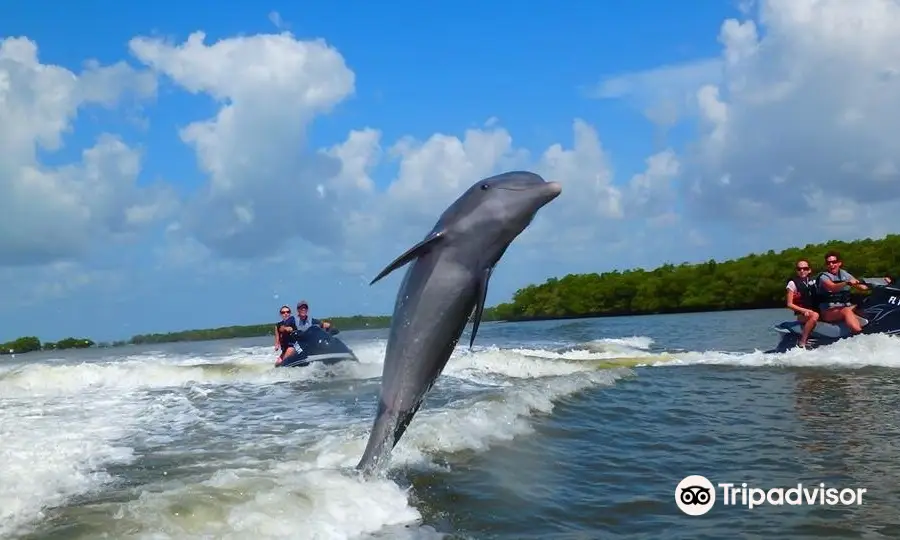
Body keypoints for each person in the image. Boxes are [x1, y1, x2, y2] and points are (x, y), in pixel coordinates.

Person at [816, 251, 869, 334]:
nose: (831, 265)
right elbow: (833, 287)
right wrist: (847, 282)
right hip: (828, 311)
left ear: (839, 263)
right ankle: (860, 334)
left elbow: (862, 287)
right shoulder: (824, 277)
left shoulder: (844, 274)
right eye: (828, 263)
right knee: (846, 311)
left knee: (865, 304)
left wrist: (876, 284)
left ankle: (872, 327)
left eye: (834, 262)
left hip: (844, 306)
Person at [785, 258, 819, 348]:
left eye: (805, 268)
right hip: (802, 314)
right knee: (814, 315)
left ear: (809, 270)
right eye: (799, 269)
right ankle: (802, 341)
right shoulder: (792, 284)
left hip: (815, 310)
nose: (802, 271)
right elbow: (789, 304)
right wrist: (804, 310)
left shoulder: (814, 281)